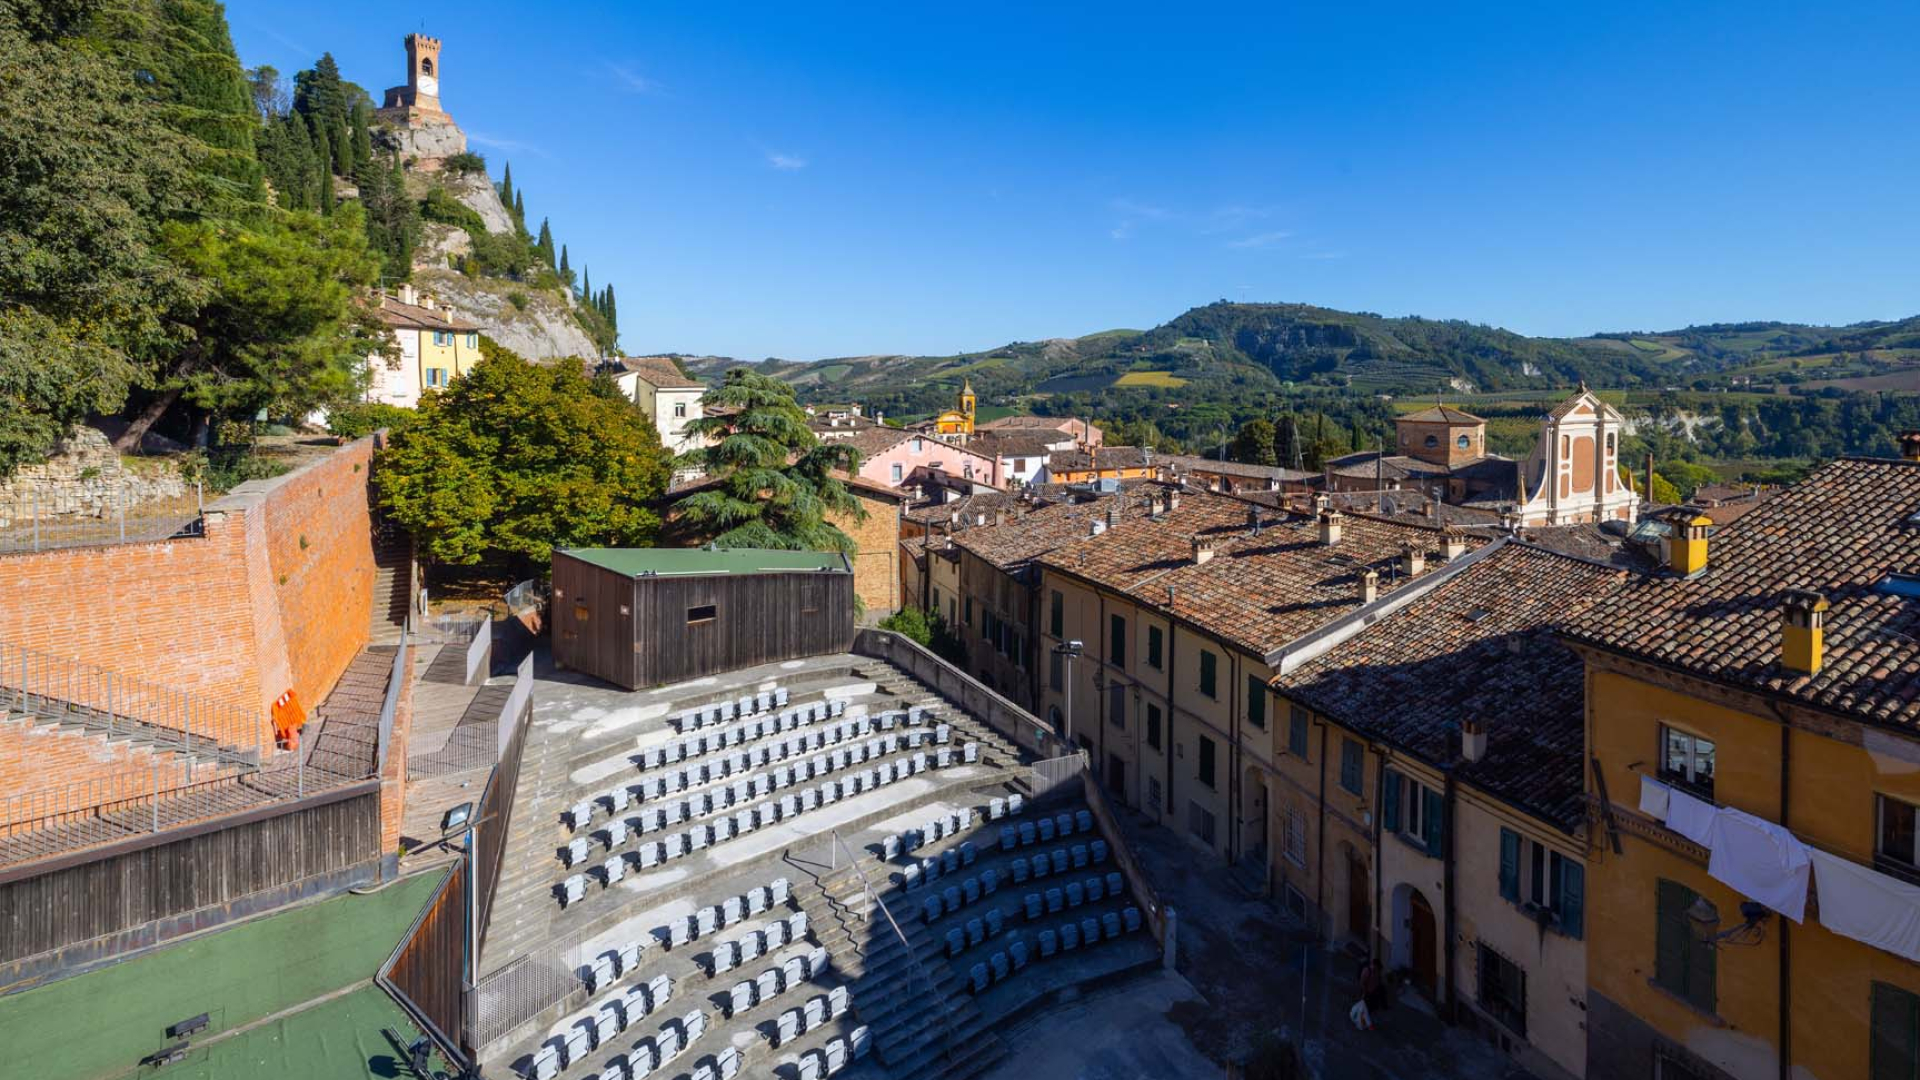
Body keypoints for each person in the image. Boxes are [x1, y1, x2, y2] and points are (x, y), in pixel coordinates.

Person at [1350, 958, 1380, 1031]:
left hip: (1371, 993)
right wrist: (1364, 992)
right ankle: (1362, 1023)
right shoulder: (1367, 971)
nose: (1376, 968)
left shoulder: (1376, 971)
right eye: (1375, 966)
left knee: (1368, 1009)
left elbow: (1376, 982)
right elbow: (1362, 982)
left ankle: (1363, 1022)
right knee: (1364, 1009)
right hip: (1365, 992)